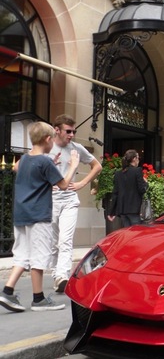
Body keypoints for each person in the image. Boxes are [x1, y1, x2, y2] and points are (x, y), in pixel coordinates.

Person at [0, 122, 79, 313]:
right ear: (48, 139)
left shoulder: (25, 159)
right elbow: (63, 184)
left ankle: (7, 291)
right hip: (39, 214)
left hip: (22, 214)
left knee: (23, 254)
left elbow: (18, 169)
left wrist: (50, 164)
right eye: (52, 138)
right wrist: (72, 166)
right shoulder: (44, 162)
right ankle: (38, 299)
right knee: (39, 256)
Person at [48, 114, 102, 293]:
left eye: (74, 131)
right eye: (68, 131)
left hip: (70, 200)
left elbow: (97, 166)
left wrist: (82, 183)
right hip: (51, 201)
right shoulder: (48, 147)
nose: (71, 134)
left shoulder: (77, 148)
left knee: (65, 239)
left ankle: (62, 276)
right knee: (54, 241)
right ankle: (57, 275)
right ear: (57, 130)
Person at [107, 150, 147, 227]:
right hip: (134, 209)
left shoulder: (118, 174)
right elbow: (142, 189)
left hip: (122, 210)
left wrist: (111, 212)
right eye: (138, 157)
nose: (139, 160)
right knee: (135, 234)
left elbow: (115, 193)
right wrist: (146, 183)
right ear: (134, 159)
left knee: (128, 234)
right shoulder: (137, 171)